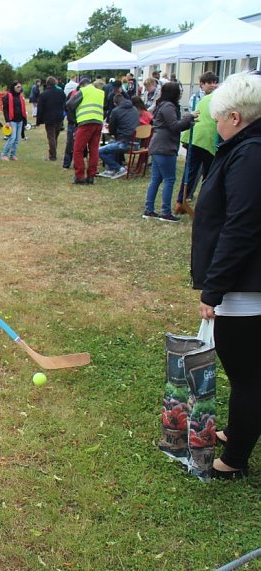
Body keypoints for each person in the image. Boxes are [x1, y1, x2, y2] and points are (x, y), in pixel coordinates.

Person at [190, 70, 261, 480]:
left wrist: (214, 288)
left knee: (246, 374)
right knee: (248, 370)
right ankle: (240, 432)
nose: (215, 125)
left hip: (247, 287)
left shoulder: (250, 154)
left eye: (218, 118)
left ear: (234, 117)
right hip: (245, 282)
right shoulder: (247, 150)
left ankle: (234, 459)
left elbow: (242, 226)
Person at [142, 82, 198, 221]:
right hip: (164, 147)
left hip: (159, 145)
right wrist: (189, 117)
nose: (180, 94)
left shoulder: (162, 104)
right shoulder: (168, 106)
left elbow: (172, 125)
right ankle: (165, 212)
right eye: (179, 91)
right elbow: (174, 126)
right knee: (169, 179)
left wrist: (187, 122)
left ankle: (149, 210)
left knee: (156, 179)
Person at [175, 72, 220, 213]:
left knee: (192, 171)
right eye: (210, 82)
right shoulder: (216, 98)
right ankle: (204, 204)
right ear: (202, 83)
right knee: (209, 174)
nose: (213, 85)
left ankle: (181, 201)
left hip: (196, 138)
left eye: (215, 82)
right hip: (206, 139)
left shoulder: (207, 98)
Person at [66, 76, 105, 184]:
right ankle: (91, 176)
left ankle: (79, 176)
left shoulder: (84, 91)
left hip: (85, 122)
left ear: (82, 85)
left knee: (78, 149)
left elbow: (69, 104)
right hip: (98, 122)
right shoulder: (101, 93)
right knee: (94, 150)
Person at [98, 93, 139, 178]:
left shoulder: (116, 111)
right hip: (136, 143)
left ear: (115, 103)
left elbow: (112, 130)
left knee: (99, 151)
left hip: (124, 143)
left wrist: (112, 131)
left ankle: (119, 168)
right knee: (111, 143)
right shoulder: (134, 109)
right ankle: (110, 169)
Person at [36, 77, 66, 161]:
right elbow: (64, 104)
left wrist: (38, 121)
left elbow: (40, 109)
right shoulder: (61, 92)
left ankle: (53, 155)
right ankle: (52, 152)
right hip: (59, 117)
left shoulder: (43, 95)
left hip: (49, 118)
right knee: (55, 136)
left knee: (51, 137)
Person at [0, 81, 26, 160]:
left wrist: (25, 121)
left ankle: (12, 155)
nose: (19, 88)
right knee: (12, 138)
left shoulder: (20, 96)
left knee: (17, 139)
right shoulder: (8, 96)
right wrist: (7, 121)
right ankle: (4, 154)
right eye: (17, 87)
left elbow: (23, 109)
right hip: (12, 120)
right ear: (13, 87)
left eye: (20, 87)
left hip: (20, 120)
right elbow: (5, 110)